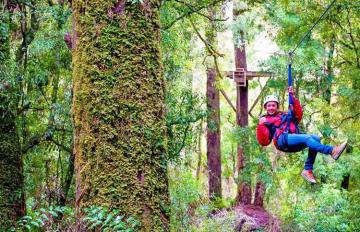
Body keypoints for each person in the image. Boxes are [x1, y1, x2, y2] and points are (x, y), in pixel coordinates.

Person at [256, 87, 347, 184]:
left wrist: (293, 98)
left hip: (291, 140)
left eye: (273, 105)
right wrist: (261, 125)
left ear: (277, 106)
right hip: (281, 140)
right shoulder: (264, 120)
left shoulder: (284, 115)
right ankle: (331, 151)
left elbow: (298, 115)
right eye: (269, 106)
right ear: (265, 107)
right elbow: (264, 142)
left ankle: (307, 170)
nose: (271, 107)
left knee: (315, 138)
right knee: (307, 138)